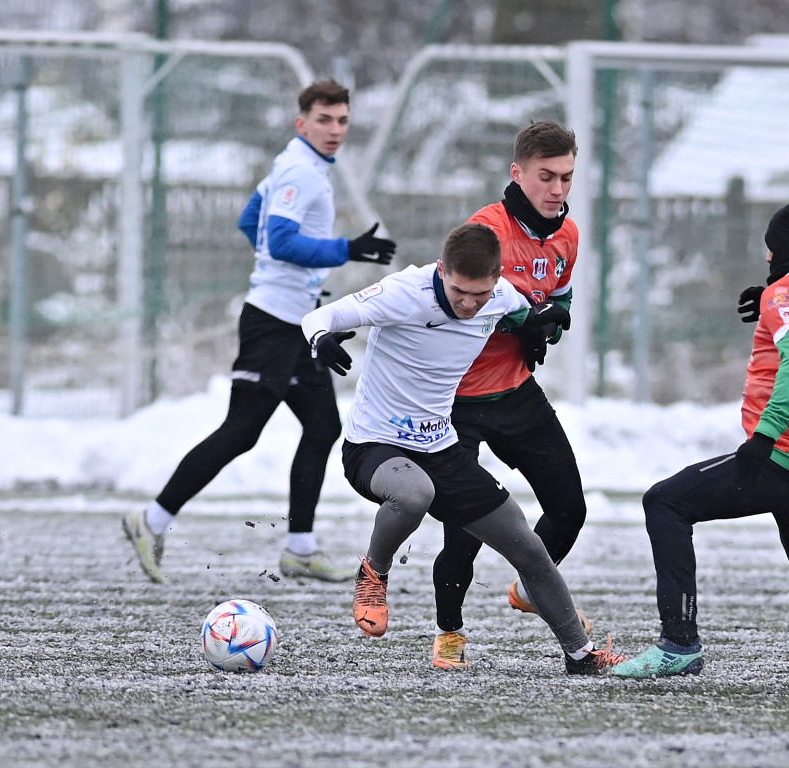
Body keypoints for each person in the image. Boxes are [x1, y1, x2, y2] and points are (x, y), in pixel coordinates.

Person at [301, 221, 626, 675]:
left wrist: (541, 321)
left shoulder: (500, 296)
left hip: (440, 447)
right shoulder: (404, 292)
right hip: (374, 446)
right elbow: (319, 316)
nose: (470, 304)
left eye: (480, 294)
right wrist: (321, 338)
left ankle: (580, 654)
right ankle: (374, 572)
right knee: (414, 493)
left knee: (529, 548)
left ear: (495, 279)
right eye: (458, 292)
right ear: (442, 270)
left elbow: (525, 312)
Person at [123, 79, 396, 585]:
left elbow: (252, 222)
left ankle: (300, 549)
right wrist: (345, 250)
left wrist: (294, 274)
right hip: (273, 323)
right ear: (302, 122)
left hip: (297, 322)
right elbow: (282, 240)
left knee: (322, 428)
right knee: (241, 431)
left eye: (341, 121)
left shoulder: (297, 166)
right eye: (324, 120)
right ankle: (151, 520)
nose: (334, 130)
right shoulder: (301, 171)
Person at [429, 120, 591, 670]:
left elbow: (560, 300)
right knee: (465, 534)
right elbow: (455, 306)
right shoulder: (483, 232)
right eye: (546, 177)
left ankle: (531, 583)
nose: (557, 190)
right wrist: (521, 318)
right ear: (517, 173)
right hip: (459, 402)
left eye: (567, 178)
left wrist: (552, 320)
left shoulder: (567, 234)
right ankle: (449, 632)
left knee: (570, 509)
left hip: (517, 394)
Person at [613, 204, 789, 679]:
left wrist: (765, 436)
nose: (768, 259)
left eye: (772, 252)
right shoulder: (781, 294)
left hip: (777, 458)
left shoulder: (784, 296)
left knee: (666, 502)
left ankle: (679, 644)